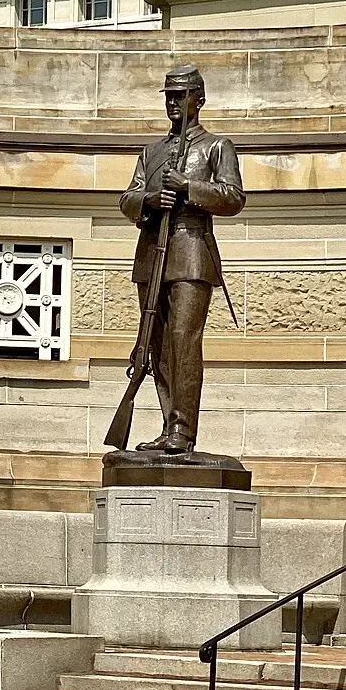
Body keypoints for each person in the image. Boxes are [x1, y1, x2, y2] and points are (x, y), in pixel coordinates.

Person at [120, 63, 245, 454]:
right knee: (155, 345)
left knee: (183, 342)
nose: (174, 102)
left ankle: (183, 430)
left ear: (199, 100)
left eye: (182, 95)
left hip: (191, 253)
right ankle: (166, 425)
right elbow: (127, 199)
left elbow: (233, 198)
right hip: (152, 253)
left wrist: (190, 187)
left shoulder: (216, 147)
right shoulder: (151, 151)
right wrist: (151, 200)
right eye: (169, 96)